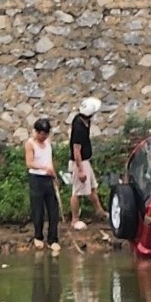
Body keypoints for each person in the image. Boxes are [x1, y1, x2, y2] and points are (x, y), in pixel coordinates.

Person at [65, 97, 103, 231]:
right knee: (77, 191)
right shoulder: (79, 127)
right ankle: (75, 219)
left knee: (92, 187)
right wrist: (80, 170)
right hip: (79, 162)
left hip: (85, 160)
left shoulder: (84, 121)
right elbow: (76, 151)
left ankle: (99, 210)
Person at [25, 116, 62, 253]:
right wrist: (43, 168)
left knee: (53, 209)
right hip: (36, 178)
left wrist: (54, 175)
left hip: (48, 179)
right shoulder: (30, 143)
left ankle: (53, 239)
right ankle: (38, 236)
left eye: (46, 134)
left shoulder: (48, 143)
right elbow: (29, 163)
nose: (44, 136)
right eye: (42, 134)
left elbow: (49, 160)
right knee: (38, 210)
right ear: (36, 131)